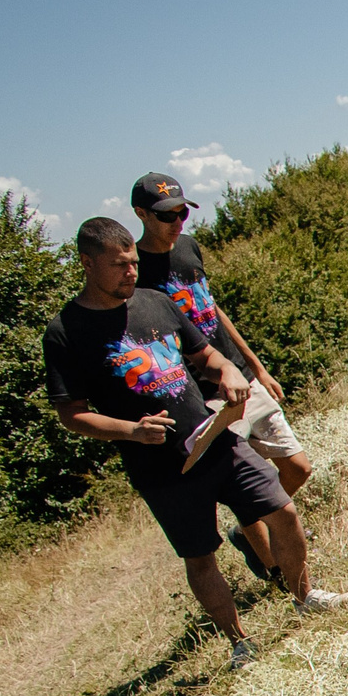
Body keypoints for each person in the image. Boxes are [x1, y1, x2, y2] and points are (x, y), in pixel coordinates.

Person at [43, 218, 345, 671]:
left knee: (283, 511)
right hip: (161, 468)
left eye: (133, 262)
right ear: (87, 264)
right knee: (201, 557)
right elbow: (72, 414)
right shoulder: (66, 332)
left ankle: (305, 598)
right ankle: (240, 644)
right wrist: (131, 430)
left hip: (215, 438)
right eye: (119, 265)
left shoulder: (156, 302)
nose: (131, 272)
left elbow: (205, 354)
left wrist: (228, 371)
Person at [128, 170, 310, 588]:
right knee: (246, 486)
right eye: (166, 216)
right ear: (141, 214)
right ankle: (276, 573)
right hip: (204, 395)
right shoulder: (135, 273)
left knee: (298, 467)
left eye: (182, 213)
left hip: (241, 376)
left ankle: (247, 533)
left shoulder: (188, 247)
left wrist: (256, 366)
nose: (177, 222)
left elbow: (211, 308)